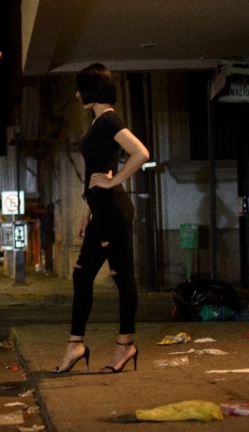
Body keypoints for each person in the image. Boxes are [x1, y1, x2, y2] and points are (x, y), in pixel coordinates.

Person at [52, 63, 150, 374]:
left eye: (81, 88)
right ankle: (75, 345)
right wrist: (87, 212)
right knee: (82, 275)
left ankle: (125, 345)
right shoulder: (98, 122)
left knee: (122, 278)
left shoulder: (109, 120)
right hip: (101, 212)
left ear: (94, 89)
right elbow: (95, 173)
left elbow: (141, 153)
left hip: (114, 211)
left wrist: (114, 181)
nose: (77, 94)